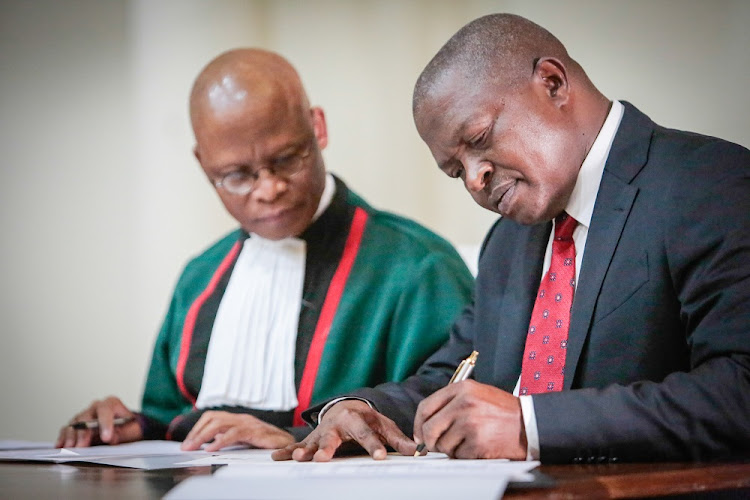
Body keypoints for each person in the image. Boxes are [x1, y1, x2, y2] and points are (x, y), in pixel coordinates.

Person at [273, 13, 750, 464]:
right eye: (455, 170)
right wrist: (361, 409)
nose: (476, 179)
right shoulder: (507, 241)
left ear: (552, 83)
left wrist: (531, 426)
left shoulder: (711, 183)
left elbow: (740, 388)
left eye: (479, 139)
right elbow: (451, 378)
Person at [55, 49, 473, 451]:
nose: (269, 190)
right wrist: (131, 426)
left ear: (318, 128)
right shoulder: (199, 277)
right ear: (204, 165)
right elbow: (172, 415)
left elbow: (450, 409)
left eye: (288, 158)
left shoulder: (418, 266)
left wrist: (292, 437)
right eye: (236, 175)